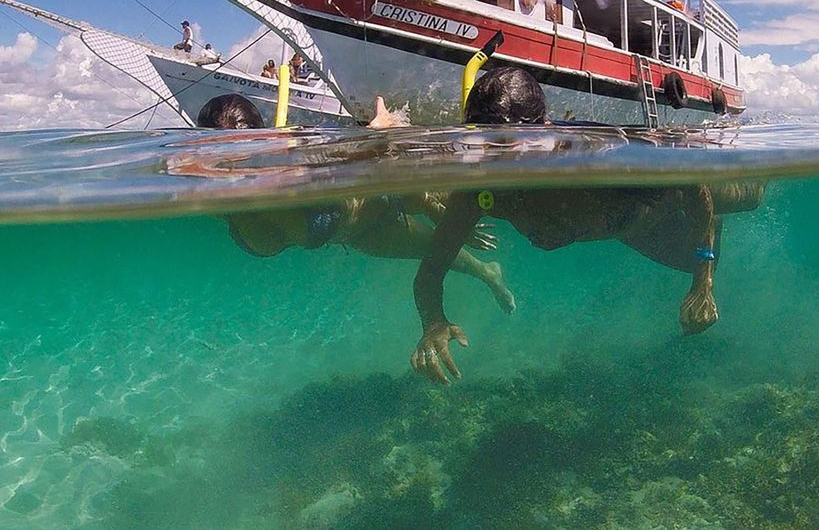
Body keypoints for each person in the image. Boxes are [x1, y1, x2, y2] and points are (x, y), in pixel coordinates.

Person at [409, 66, 764, 384]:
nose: (494, 158)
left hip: (661, 202)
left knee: (748, 198)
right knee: (692, 261)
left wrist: (704, 282)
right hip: (630, 229)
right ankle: (705, 245)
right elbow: (431, 270)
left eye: (507, 143)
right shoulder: (480, 189)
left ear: (544, 131)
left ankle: (748, 159)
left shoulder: (595, 156)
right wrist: (434, 322)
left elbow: (691, 182)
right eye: (483, 142)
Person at [196, 94, 516, 314]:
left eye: (235, 156)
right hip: (359, 235)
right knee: (441, 254)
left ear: (260, 142)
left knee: (456, 223)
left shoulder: (291, 167)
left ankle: (491, 262)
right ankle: (490, 273)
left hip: (383, 201)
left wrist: (378, 132)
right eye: (216, 156)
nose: (229, 170)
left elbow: (366, 158)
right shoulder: (211, 193)